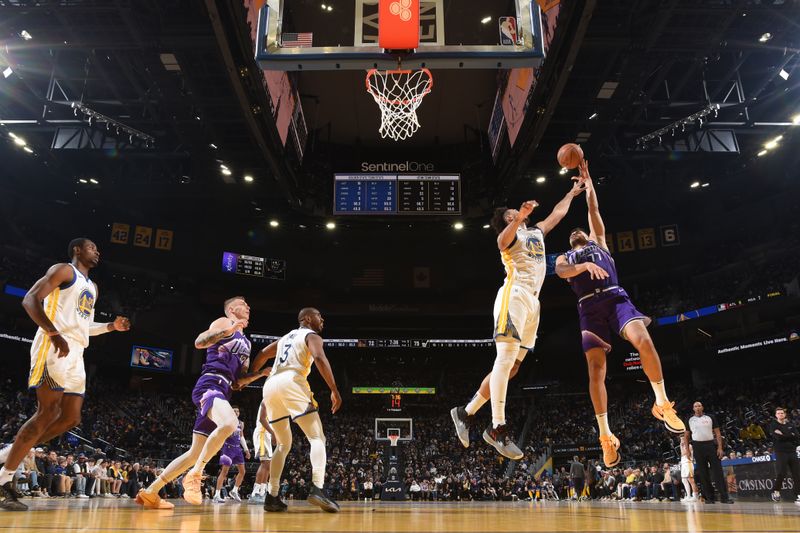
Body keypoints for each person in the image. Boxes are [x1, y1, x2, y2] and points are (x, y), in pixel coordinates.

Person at [554, 161, 685, 467]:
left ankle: (662, 403)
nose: (576, 231)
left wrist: (588, 182)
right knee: (596, 370)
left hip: (615, 298)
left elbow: (593, 210)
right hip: (589, 307)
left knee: (644, 341)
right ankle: (605, 436)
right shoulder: (566, 257)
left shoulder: (599, 242)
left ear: (588, 234)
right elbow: (560, 271)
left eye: (580, 229)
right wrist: (583, 266)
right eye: (571, 232)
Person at [451, 178, 587, 459]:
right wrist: (517, 219)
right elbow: (501, 240)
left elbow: (557, 215)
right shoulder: (510, 236)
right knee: (504, 360)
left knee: (512, 369)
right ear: (508, 221)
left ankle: (466, 413)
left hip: (533, 304)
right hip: (513, 296)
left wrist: (572, 193)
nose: (516, 214)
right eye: (511, 215)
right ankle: (498, 428)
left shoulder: (535, 231)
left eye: (517, 213)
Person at [0, 238, 130, 511]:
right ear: (77, 250)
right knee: (46, 413)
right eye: (92, 247)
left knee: (71, 417)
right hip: (53, 344)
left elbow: (83, 325)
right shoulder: (63, 271)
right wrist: (53, 332)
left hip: (76, 351)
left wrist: (110, 326)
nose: (98, 251)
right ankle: (4, 480)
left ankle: (7, 454)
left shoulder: (92, 286)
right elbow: (29, 299)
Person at [135, 296, 270, 509]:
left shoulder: (247, 342)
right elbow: (200, 342)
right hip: (210, 384)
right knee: (230, 424)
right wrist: (229, 329)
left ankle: (151, 492)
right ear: (232, 309)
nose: (249, 307)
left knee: (194, 453)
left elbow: (237, 383)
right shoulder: (224, 322)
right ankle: (195, 474)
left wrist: (260, 374)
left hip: (224, 390)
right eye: (244, 305)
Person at [260, 307, 342, 513]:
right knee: (317, 438)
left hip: (270, 385)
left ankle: (272, 496)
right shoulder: (311, 335)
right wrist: (334, 390)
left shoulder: (284, 338)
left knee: (282, 444)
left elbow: (262, 354)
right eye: (318, 316)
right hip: (292, 381)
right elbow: (320, 358)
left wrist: (252, 374)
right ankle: (318, 488)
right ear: (307, 319)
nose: (322, 319)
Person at [684, 401, 733, 504]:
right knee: (703, 473)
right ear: (693, 409)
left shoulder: (710, 417)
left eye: (699, 406)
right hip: (697, 446)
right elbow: (686, 436)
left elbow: (718, 433)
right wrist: (687, 451)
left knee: (718, 471)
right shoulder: (689, 419)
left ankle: (724, 497)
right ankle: (709, 498)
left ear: (702, 407)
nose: (697, 407)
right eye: (695, 406)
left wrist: (720, 448)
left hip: (711, 445)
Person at [213, 406, 250, 503]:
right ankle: (217, 495)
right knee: (224, 472)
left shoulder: (241, 423)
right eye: (234, 411)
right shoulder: (226, 422)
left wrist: (246, 450)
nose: (237, 412)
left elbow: (241, 437)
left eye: (238, 411)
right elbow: (220, 435)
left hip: (237, 449)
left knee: (242, 471)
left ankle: (234, 491)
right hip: (228, 448)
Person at [768, 407, 800, 504]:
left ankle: (798, 495)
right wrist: (790, 435)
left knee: (797, 474)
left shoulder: (791, 425)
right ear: (776, 415)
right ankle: (776, 491)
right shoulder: (773, 425)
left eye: (782, 413)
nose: (781, 414)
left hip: (792, 451)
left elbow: (797, 437)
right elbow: (778, 438)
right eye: (778, 413)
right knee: (781, 473)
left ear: (785, 414)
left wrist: (784, 435)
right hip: (781, 452)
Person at [250, 401, 275, 504]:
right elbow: (262, 419)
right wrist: (273, 433)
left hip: (267, 435)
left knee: (268, 465)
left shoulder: (275, 403)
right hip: (262, 434)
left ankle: (262, 492)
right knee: (264, 463)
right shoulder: (267, 400)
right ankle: (255, 493)